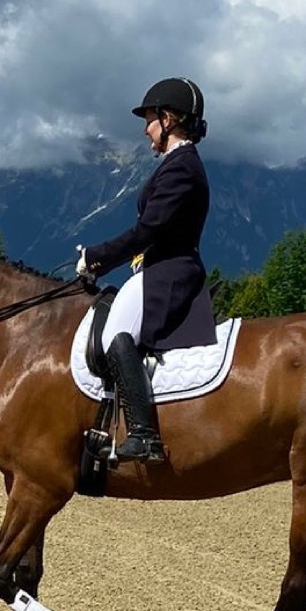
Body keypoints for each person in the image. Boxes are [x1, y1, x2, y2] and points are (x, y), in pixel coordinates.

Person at [77, 77, 217, 461]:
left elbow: (148, 230)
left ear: (168, 119)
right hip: (157, 267)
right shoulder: (177, 165)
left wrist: (96, 257)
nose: (145, 128)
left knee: (114, 335)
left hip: (169, 271)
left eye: (150, 119)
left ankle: (144, 435)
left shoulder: (182, 168)